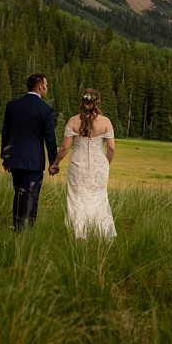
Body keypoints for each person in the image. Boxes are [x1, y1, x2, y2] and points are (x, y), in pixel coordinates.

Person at [49, 88, 116, 240]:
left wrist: (55, 163)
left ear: (82, 101)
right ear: (97, 102)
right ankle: (101, 234)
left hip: (78, 166)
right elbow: (111, 148)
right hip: (99, 166)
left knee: (77, 198)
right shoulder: (105, 122)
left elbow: (65, 147)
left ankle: (79, 234)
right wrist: (106, 163)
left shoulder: (73, 121)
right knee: (98, 198)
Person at [0, 73, 58, 231]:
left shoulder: (13, 105)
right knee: (31, 196)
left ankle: (17, 227)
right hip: (34, 161)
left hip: (15, 159)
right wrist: (54, 162)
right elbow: (50, 139)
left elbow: (5, 132)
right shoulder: (46, 110)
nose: (46, 88)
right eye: (45, 86)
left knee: (18, 193)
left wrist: (5, 157)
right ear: (40, 87)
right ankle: (27, 230)